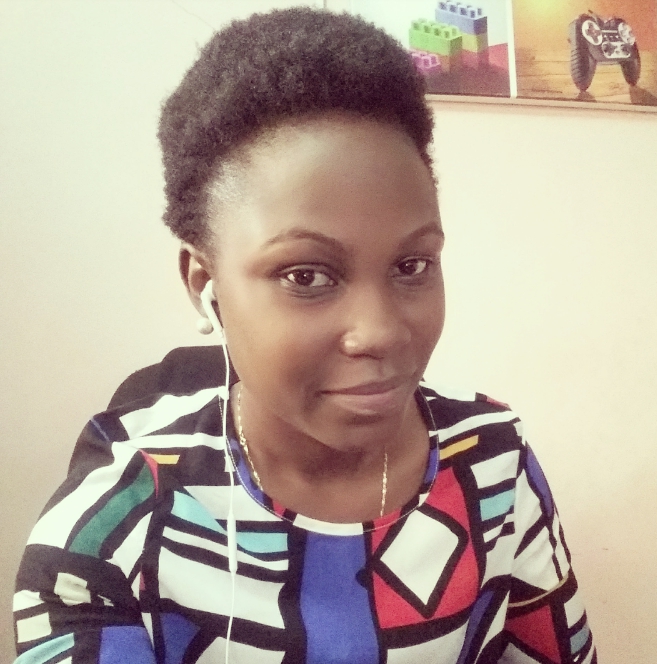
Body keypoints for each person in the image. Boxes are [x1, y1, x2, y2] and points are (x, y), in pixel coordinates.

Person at [13, 7, 596, 664]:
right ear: (204, 283)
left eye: (411, 266)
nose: (379, 332)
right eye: (306, 275)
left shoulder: (492, 460)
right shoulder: (112, 530)